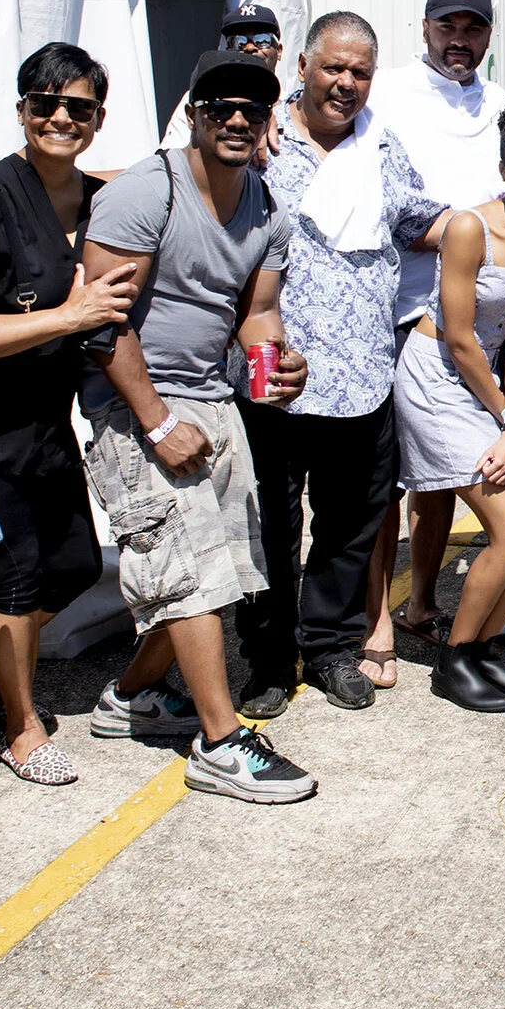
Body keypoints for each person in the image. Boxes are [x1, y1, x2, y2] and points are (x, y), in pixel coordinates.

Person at [79, 49, 318, 805]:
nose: (239, 118)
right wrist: (154, 422)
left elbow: (256, 311)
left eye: (254, 106)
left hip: (214, 401)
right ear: (193, 114)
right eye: (221, 105)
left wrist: (280, 361)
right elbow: (100, 319)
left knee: (214, 582)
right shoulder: (147, 191)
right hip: (136, 404)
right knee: (190, 579)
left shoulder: (268, 207)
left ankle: (128, 699)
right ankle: (219, 744)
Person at [0, 45, 136, 785]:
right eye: (44, 103)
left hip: (49, 422)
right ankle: (21, 725)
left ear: (99, 119)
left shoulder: (99, 198)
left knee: (73, 565)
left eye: (77, 107)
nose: (60, 117)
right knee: (12, 578)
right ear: (21, 113)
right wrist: (67, 317)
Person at [234, 13, 444, 717]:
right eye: (333, 67)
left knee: (350, 525)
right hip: (275, 373)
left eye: (360, 72)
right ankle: (267, 657)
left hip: (362, 374)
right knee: (269, 527)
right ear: (302, 64)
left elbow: (421, 218)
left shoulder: (380, 146)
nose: (345, 83)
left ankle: (327, 646)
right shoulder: (258, 140)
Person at [397, 95, 505, 713]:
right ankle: (456, 657)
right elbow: (462, 339)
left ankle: (488, 644)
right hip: (438, 381)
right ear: (502, 170)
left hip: (488, 392)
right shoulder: (469, 227)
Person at [365, 0, 505, 655]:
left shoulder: (503, 103)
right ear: (424, 28)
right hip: (391, 304)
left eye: (473, 28)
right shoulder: (385, 91)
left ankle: (421, 594)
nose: (460, 40)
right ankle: (378, 616)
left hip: (471, 315)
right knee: (383, 474)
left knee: (443, 468)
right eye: (447, 26)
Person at [162, 3, 282, 150]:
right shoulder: (200, 97)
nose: (249, 47)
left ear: (279, 51)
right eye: (238, 41)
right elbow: (170, 157)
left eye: (262, 39)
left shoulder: (294, 104)